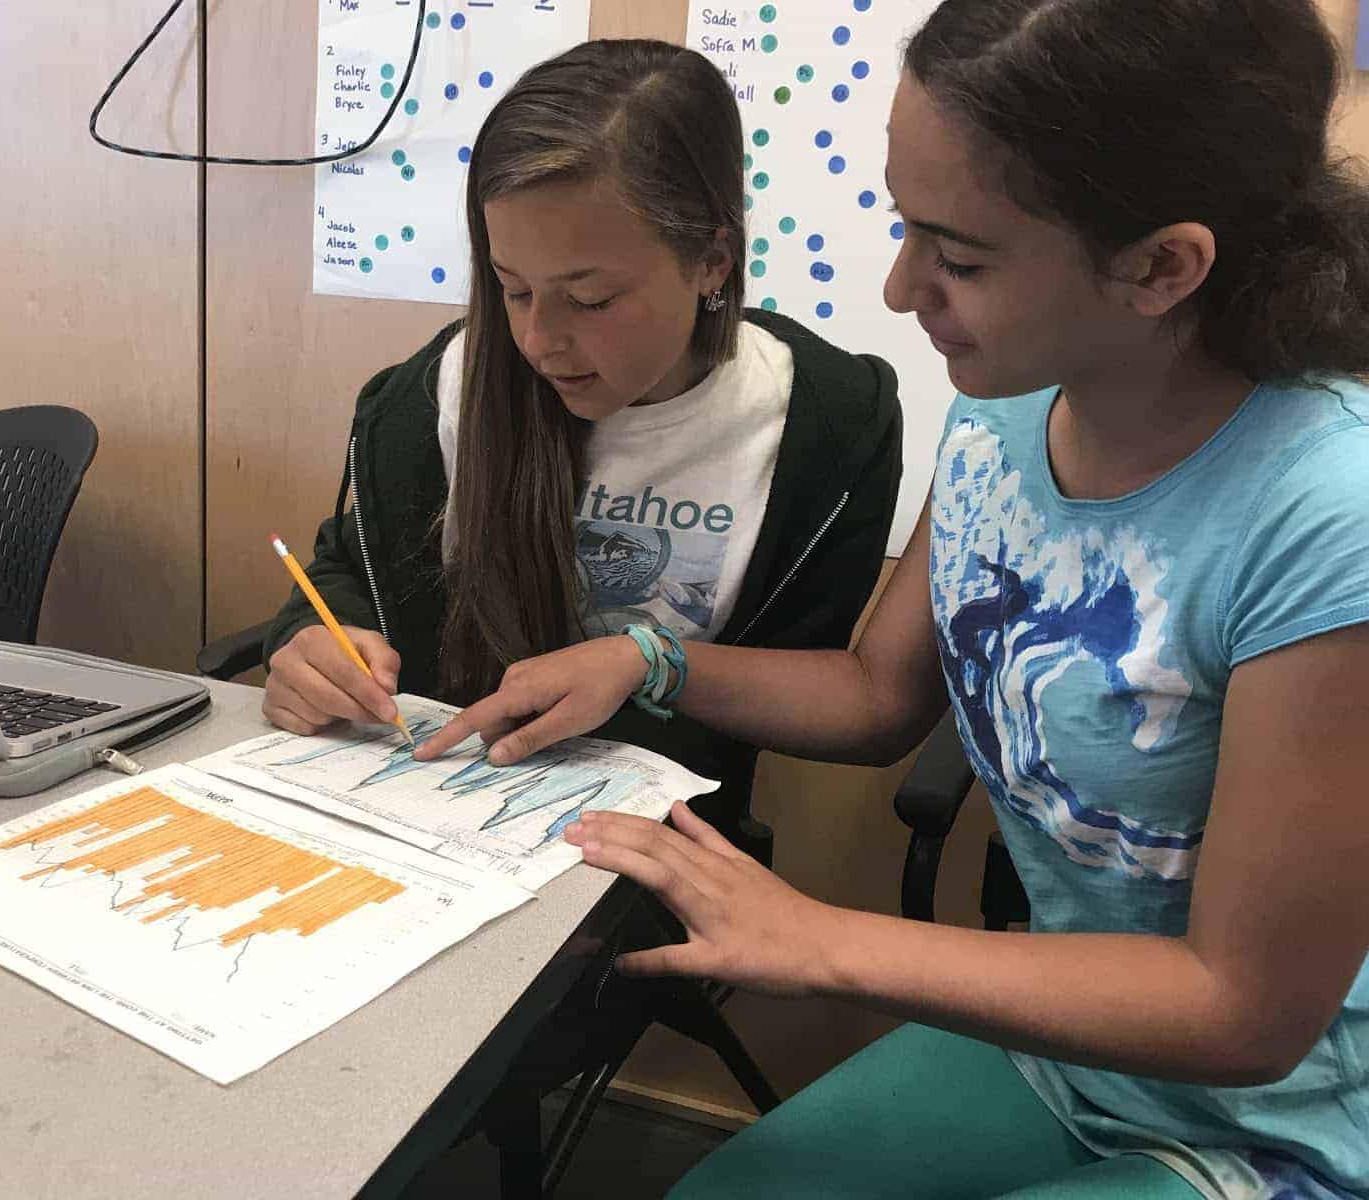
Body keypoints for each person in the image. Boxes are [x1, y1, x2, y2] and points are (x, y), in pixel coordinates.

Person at [414, 2, 1369, 1195]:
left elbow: (1245, 1011)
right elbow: (876, 696)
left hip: (1292, 1114)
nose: (900, 285)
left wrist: (825, 942)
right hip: (1072, 1053)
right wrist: (648, 663)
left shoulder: (1330, 513)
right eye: (903, 225)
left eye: (959, 257)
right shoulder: (1006, 407)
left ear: (1162, 266)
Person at [262, 38, 903, 848]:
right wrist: (311, 643)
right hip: (412, 825)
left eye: (590, 300)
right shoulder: (435, 391)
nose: (537, 341)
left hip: (647, 858)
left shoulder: (828, 425)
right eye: (512, 288)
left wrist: (654, 663)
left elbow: (834, 697)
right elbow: (346, 572)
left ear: (712, 259)